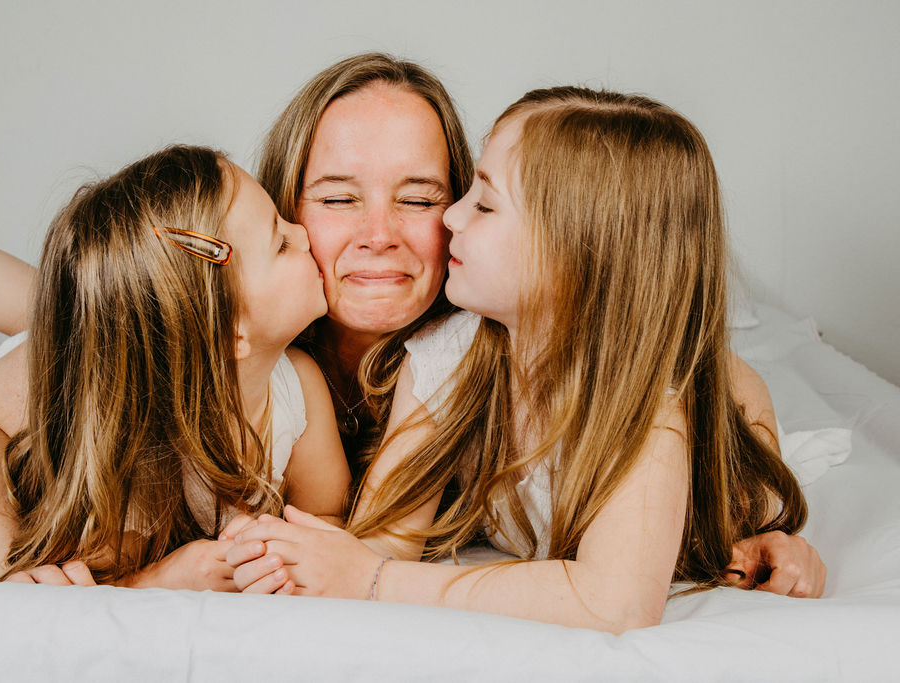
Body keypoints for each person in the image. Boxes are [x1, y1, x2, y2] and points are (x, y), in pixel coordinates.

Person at [0, 53, 821, 592]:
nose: (382, 236)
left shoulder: (489, 327)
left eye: (425, 196)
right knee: (43, 311)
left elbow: (706, 376)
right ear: (284, 204)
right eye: (334, 198)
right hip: (73, 357)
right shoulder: (192, 319)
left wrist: (759, 501)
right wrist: (2, 579)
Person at [225, 87, 819, 630]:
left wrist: (374, 581)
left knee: (745, 473)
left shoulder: (650, 405)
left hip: (717, 464)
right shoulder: (447, 358)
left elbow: (614, 600)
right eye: (337, 197)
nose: (452, 217)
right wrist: (286, 559)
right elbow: (380, 539)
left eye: (480, 204)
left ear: (574, 253)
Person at [0, 145, 351, 586]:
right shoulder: (129, 465)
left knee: (56, 311)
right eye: (280, 243)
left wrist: (277, 549)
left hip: (113, 343)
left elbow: (326, 512)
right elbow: (95, 583)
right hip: (63, 378)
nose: (303, 234)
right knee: (17, 350)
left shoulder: (297, 387)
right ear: (229, 333)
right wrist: (161, 578)